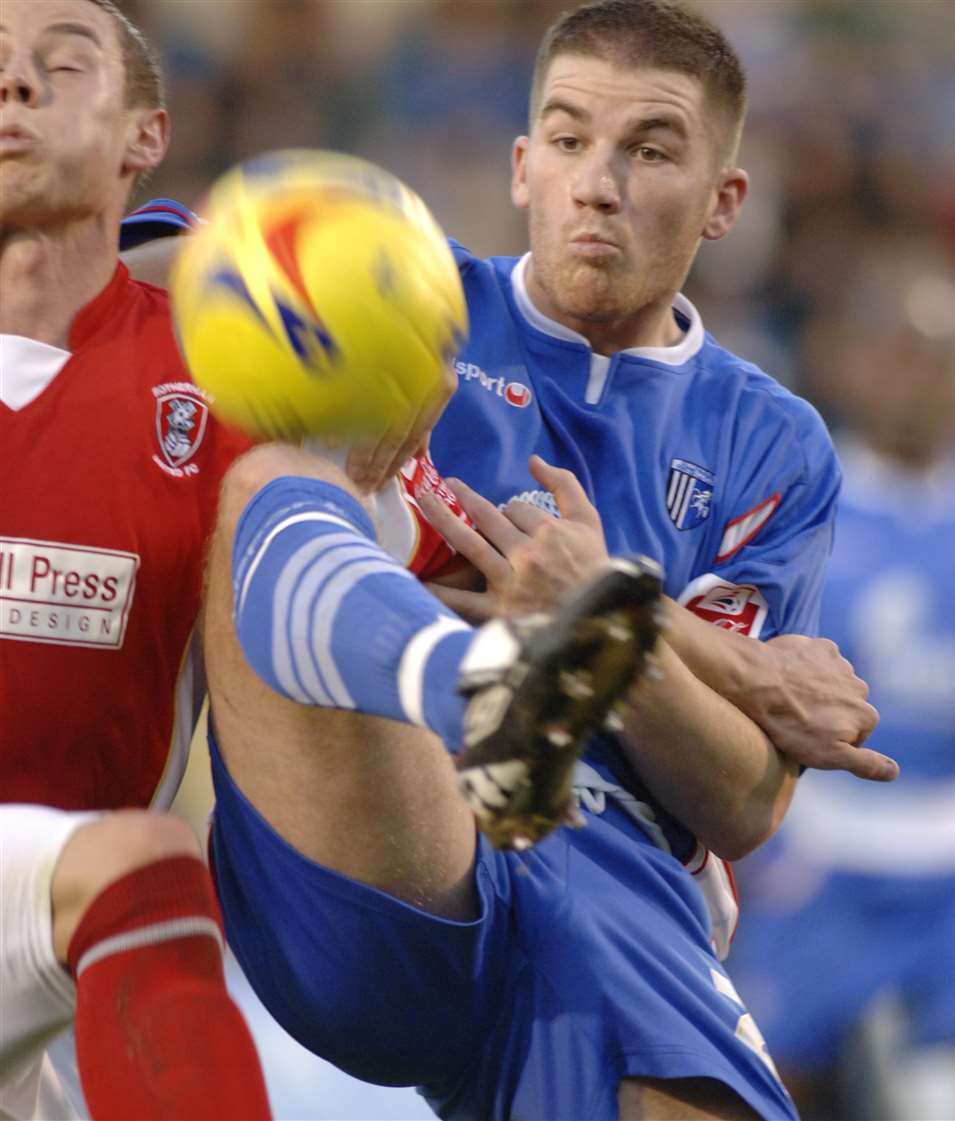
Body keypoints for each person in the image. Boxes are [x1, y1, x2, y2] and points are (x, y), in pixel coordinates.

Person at [125, 2, 887, 1118]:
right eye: (570, 140)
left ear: (725, 201)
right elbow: (160, 265)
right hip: (375, 840)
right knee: (269, 478)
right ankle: (484, 694)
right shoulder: (400, 302)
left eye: (652, 149)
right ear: (523, 166)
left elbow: (739, 799)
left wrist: (598, 615)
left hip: (608, 884)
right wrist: (348, 328)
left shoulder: (772, 441)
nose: (599, 181)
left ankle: (520, 698)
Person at [724, 257, 955, 1121]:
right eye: (899, 351)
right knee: (773, 1082)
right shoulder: (807, 511)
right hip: (829, 845)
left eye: (943, 356)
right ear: (852, 363)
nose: (921, 378)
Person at [0, 2, 275, 1117]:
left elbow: (467, 571)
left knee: (136, 869)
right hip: (81, 908)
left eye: (58, 67)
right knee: (142, 867)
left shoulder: (225, 381)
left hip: (44, 974)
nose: (12, 85)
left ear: (145, 137)